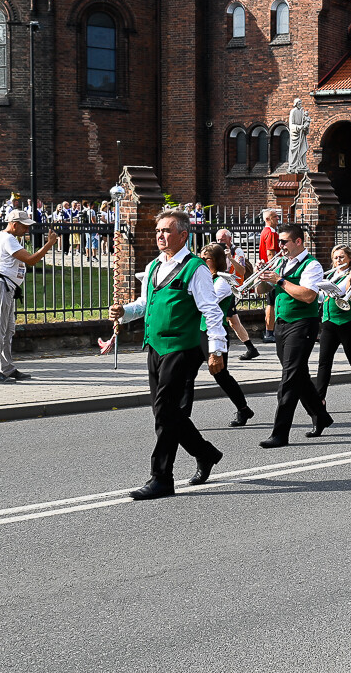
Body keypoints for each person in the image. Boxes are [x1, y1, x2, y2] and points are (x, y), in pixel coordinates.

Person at [110, 209, 226, 500]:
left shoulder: (195, 268)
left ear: (183, 235)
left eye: (167, 231)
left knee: (164, 411)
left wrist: (217, 349)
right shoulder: (153, 267)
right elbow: (145, 304)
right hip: (155, 346)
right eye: (158, 230)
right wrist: (125, 313)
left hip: (182, 348)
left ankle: (162, 478)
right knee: (167, 412)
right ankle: (206, 453)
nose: (160, 235)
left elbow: (210, 310)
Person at [257, 224, 332, 447]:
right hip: (282, 324)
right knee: (298, 374)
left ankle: (280, 433)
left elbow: (308, 295)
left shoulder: (312, 265)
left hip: (302, 324)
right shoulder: (280, 262)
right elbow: (261, 291)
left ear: (298, 242)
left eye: (284, 242)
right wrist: (263, 278)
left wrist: (280, 280)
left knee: (289, 378)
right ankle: (321, 416)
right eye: (280, 242)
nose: (280, 246)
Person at [0, 210, 59, 384]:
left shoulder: (7, 238)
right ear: (14, 224)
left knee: (8, 329)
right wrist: (49, 244)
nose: (27, 229)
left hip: (5, 285)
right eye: (24, 226)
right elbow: (31, 260)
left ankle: (6, 368)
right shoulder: (7, 239)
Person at [200, 243, 254, 427]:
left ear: (215, 261)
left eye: (205, 259)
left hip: (215, 332)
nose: (201, 262)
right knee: (185, 372)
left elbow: (206, 302)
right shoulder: (204, 277)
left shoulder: (223, 281)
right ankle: (181, 414)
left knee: (221, 375)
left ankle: (243, 409)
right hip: (198, 331)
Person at [314, 244, 351, 412]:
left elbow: (343, 291)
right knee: (324, 363)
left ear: (349, 259)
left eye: (341, 257)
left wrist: (348, 278)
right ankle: (320, 399)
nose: (338, 260)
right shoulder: (331, 274)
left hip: (348, 322)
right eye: (335, 257)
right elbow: (319, 297)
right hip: (329, 322)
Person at [215, 228, 259, 360]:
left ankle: (220, 350)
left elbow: (242, 270)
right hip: (220, 286)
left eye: (222, 240)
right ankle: (251, 348)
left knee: (224, 320)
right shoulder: (216, 250)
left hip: (229, 289)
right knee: (234, 322)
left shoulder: (237, 251)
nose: (220, 242)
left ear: (229, 239)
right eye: (218, 240)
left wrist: (230, 258)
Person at [258, 208, 280, 343]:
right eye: (275, 217)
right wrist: (275, 270)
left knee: (269, 301)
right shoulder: (271, 232)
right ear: (268, 219)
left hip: (266, 269)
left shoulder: (264, 232)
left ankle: (269, 330)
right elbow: (271, 253)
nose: (278, 219)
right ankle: (270, 332)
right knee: (271, 302)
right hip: (271, 270)